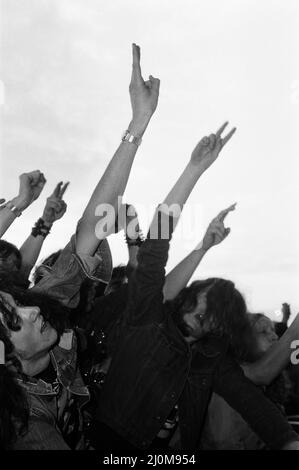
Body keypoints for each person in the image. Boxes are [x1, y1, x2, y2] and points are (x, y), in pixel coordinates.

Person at [90, 121, 299, 451]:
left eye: (213, 313)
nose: (201, 314)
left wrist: (288, 442)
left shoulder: (210, 361)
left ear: (222, 327)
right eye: (201, 302)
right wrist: (194, 170)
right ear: (187, 296)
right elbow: (156, 244)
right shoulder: (148, 317)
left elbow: (254, 405)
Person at [0, 42, 160, 450]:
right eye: (14, 321)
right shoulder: (27, 429)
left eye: (17, 300)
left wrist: (137, 123)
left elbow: (91, 229)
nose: (33, 307)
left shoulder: (44, 309)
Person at [200, 313, 291, 450]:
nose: (275, 337)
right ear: (242, 341)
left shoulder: (271, 384)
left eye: (273, 330)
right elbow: (226, 443)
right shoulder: (227, 389)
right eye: (263, 331)